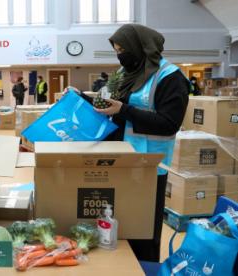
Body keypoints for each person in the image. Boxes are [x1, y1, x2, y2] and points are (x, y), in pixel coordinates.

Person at [71, 24, 189, 262]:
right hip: (118, 161)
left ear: (140, 46)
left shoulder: (171, 77)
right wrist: (81, 96)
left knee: (143, 227)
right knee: (118, 221)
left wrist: (124, 110)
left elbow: (169, 123)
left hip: (147, 166)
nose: (120, 54)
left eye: (123, 48)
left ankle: (144, 267)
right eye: (116, 50)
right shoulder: (124, 74)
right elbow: (108, 107)